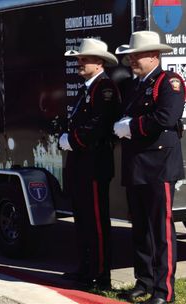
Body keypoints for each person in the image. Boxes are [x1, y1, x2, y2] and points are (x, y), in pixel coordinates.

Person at [114, 31, 185, 304]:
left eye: (137, 54)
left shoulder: (169, 82)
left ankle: (163, 291)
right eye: (130, 55)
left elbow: (166, 116)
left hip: (158, 166)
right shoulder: (135, 86)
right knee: (140, 230)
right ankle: (143, 282)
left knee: (162, 231)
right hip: (136, 165)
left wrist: (131, 126)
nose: (131, 59)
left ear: (154, 55)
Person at [59, 38, 121, 289]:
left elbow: (99, 125)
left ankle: (101, 275)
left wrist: (72, 140)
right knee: (82, 220)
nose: (79, 64)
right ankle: (86, 268)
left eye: (84, 59)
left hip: (94, 165)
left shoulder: (104, 88)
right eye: (78, 59)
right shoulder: (89, 88)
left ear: (99, 62)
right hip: (82, 165)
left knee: (96, 222)